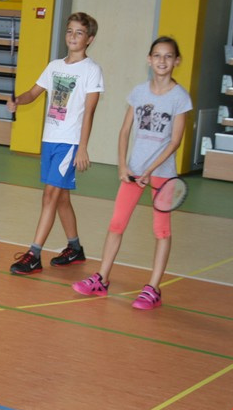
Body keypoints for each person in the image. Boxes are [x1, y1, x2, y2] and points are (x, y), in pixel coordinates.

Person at [72, 36, 192, 310]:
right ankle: (101, 279)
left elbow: (175, 141)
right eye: (157, 55)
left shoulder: (180, 98)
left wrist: (150, 170)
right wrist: (122, 165)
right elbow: (125, 131)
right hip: (133, 173)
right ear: (149, 60)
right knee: (116, 224)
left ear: (176, 61)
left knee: (161, 231)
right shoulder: (139, 93)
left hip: (162, 175)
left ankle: (153, 288)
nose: (162, 61)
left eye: (168, 56)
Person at [6, 12, 104, 275]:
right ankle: (75, 248)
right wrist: (18, 101)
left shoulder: (91, 70)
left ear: (89, 39)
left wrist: (82, 147)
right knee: (61, 198)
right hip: (50, 140)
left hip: (69, 143)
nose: (73, 36)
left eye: (79, 32)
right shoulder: (54, 66)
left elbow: (89, 112)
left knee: (50, 195)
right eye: (70, 31)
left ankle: (34, 254)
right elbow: (33, 93)